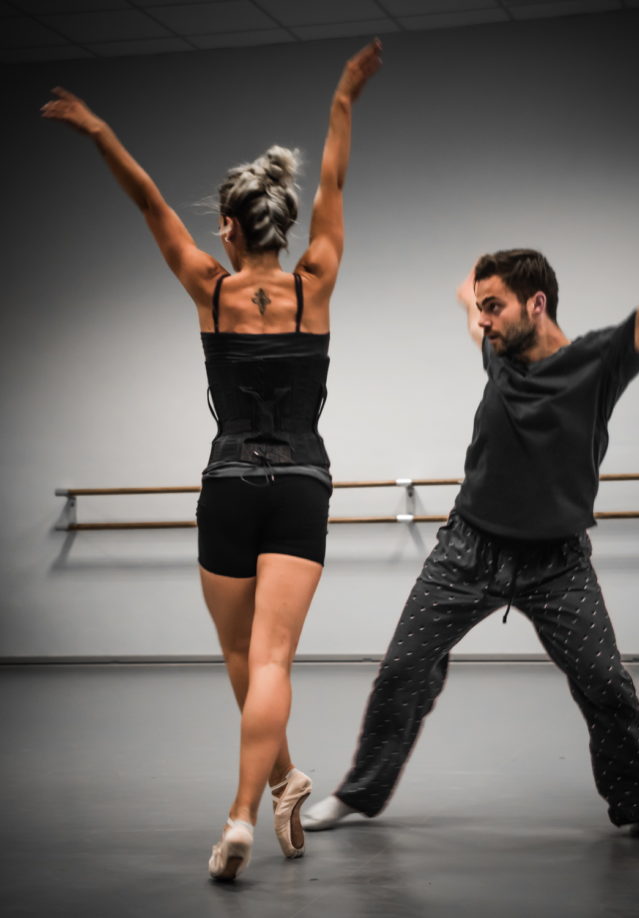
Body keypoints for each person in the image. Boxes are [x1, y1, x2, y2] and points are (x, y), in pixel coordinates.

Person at [303, 144, 639, 844]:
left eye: (496, 308)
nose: (483, 322)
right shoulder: (499, 353)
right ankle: (359, 794)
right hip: (466, 551)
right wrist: (474, 291)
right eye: (482, 310)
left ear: (537, 304)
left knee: (608, 687)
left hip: (557, 563)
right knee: (403, 671)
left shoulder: (600, 363)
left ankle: (637, 806)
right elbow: (468, 299)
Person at [42, 38, 382, 880]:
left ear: (230, 228)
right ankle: (270, 791)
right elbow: (335, 184)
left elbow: (148, 202)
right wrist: (343, 99)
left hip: (228, 483)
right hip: (301, 483)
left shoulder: (209, 286)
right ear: (283, 226)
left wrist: (98, 131)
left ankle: (245, 813)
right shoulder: (316, 281)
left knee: (241, 658)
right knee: (272, 660)